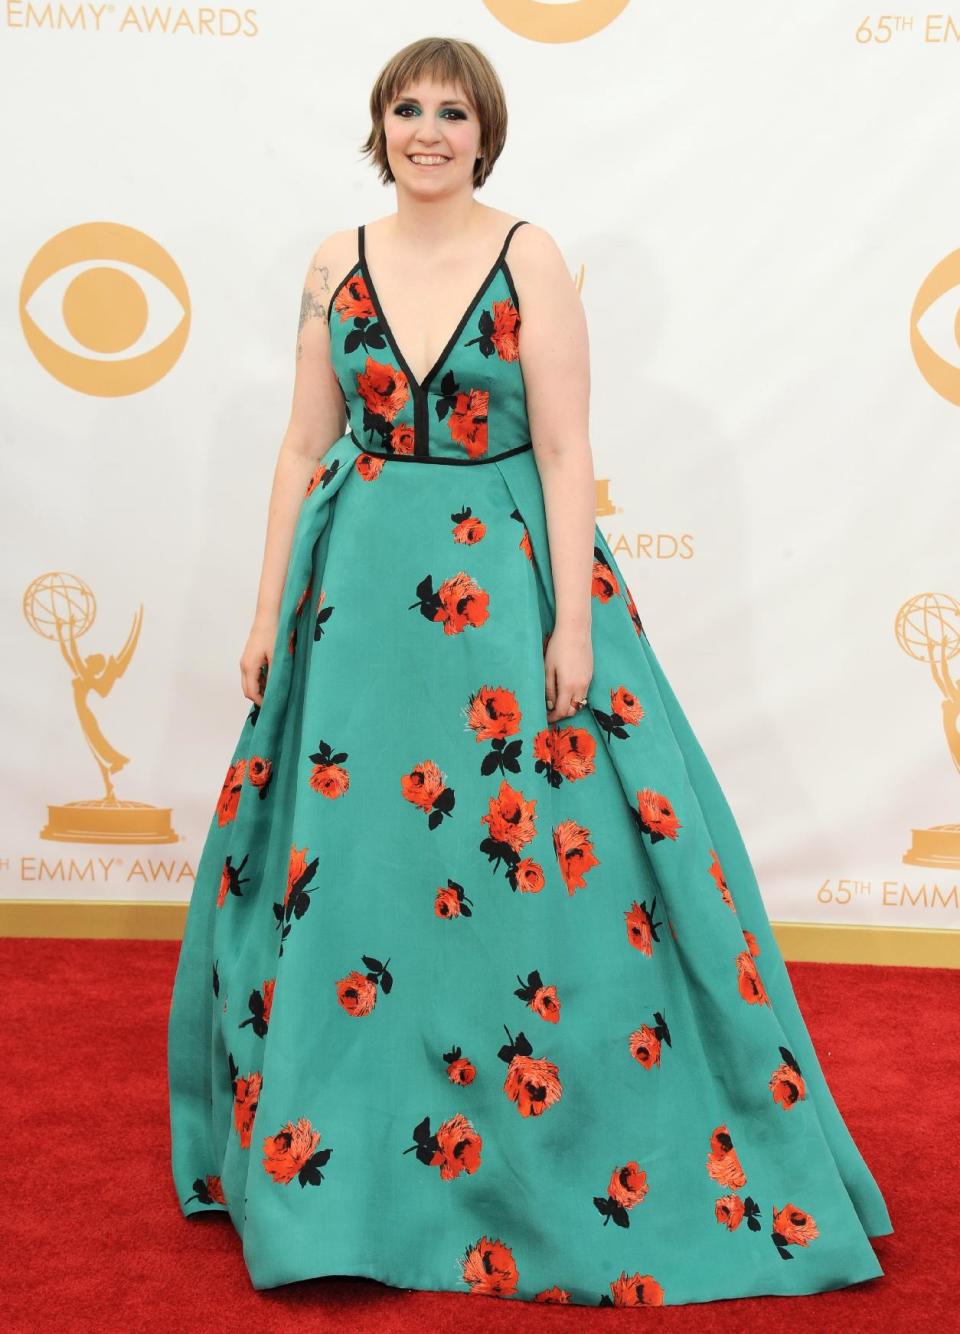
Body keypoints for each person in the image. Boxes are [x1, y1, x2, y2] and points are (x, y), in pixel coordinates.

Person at [167, 35, 892, 1309]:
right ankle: (343, 1178)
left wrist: (571, 627)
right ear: (378, 125)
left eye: (453, 111)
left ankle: (538, 1149)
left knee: (536, 875)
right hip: (360, 605)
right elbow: (298, 447)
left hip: (502, 590)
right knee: (359, 875)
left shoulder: (530, 258)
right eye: (407, 108)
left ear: (485, 132)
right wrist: (270, 607)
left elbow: (564, 452)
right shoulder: (335, 261)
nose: (429, 131)